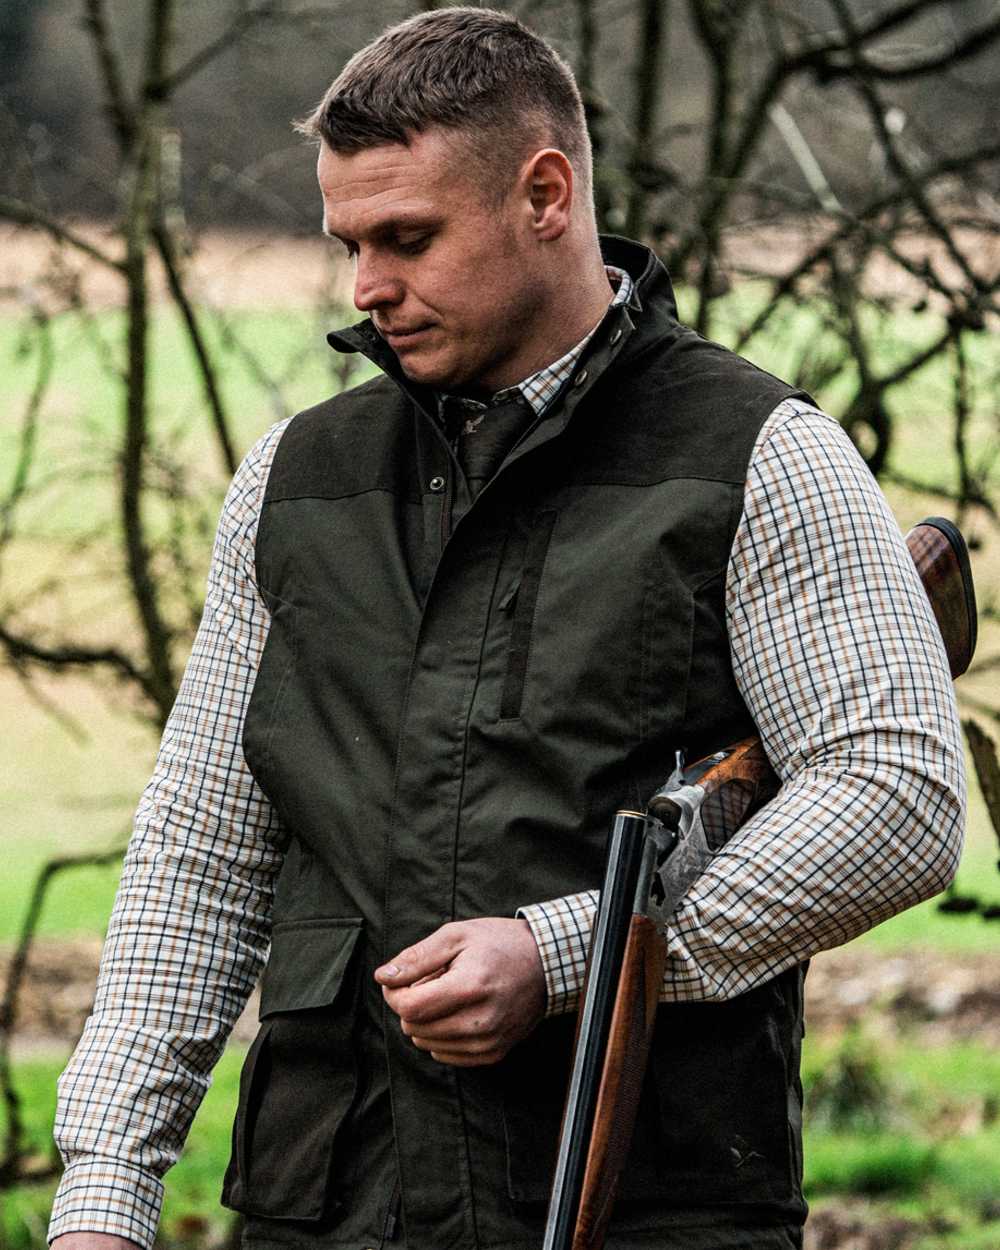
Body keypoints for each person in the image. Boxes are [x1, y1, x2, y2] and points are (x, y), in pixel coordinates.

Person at [49, 8, 965, 1250]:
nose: (367, 287)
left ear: (545, 193)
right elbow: (201, 854)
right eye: (349, 244)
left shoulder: (758, 454)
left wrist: (566, 955)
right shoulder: (295, 481)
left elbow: (896, 796)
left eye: (407, 238)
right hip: (329, 1211)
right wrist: (104, 1193)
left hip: (639, 1210)